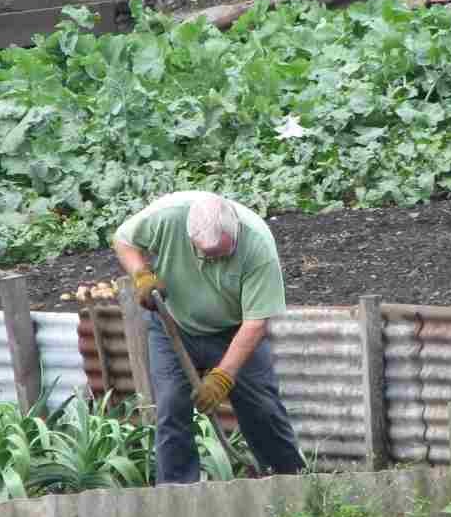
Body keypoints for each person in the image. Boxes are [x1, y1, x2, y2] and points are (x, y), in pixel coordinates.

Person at [112, 191, 306, 485]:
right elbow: (123, 240)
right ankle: (177, 496)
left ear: (235, 232)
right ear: (190, 237)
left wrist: (223, 378)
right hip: (173, 326)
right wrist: (141, 274)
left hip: (234, 331)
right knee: (170, 409)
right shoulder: (167, 216)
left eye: (223, 255)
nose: (215, 262)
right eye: (207, 255)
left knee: (263, 409)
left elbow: (255, 323)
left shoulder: (258, 244)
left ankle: (291, 485)